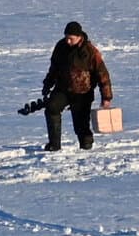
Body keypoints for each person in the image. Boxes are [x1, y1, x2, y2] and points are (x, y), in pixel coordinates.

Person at [41, 19, 112, 152]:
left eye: (71, 39)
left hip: (83, 93)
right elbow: (54, 69)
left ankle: (86, 147)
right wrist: (47, 85)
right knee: (51, 108)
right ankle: (54, 145)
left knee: (81, 124)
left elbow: (103, 75)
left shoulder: (90, 51)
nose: (68, 41)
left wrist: (106, 97)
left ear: (79, 37)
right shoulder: (60, 47)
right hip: (62, 89)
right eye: (66, 38)